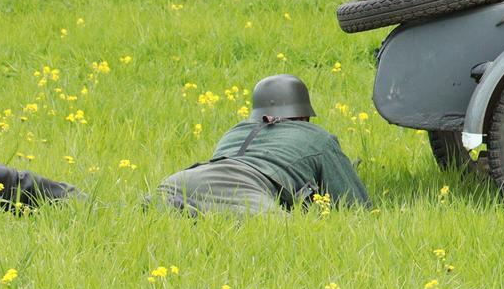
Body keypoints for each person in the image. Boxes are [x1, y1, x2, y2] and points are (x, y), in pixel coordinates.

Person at [152, 75, 371, 213]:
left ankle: (185, 211)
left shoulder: (236, 131)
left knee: (160, 211)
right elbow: (356, 207)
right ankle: (201, 214)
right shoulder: (318, 137)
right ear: (304, 115)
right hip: (249, 189)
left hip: (182, 180)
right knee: (277, 234)